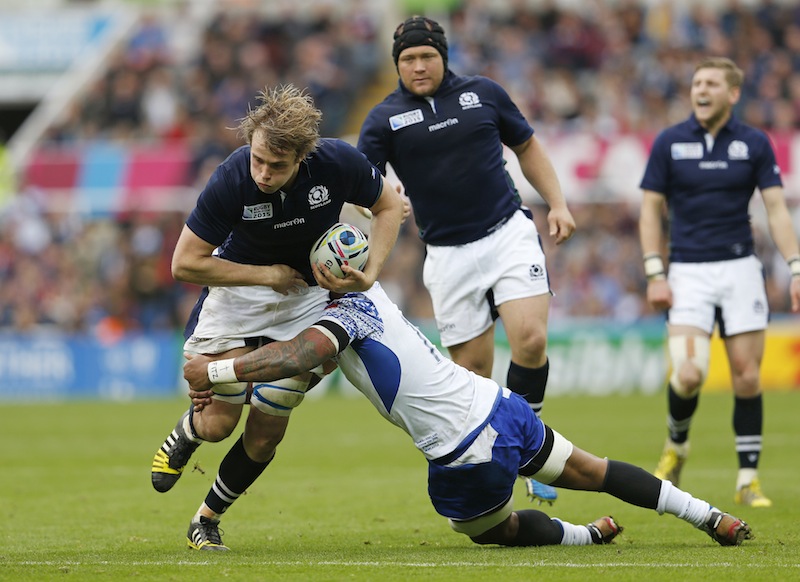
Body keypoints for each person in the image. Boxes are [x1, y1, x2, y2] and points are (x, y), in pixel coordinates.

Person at [182, 278, 753, 551]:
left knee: (493, 531)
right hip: (499, 405)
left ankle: (582, 537)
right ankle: (709, 517)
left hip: (463, 452)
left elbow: (304, 354)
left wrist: (216, 373)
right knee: (594, 470)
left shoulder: (343, 315)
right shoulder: (374, 290)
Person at [149, 85, 405, 546]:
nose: (264, 173)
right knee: (218, 425)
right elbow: (184, 263)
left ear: (304, 157)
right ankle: (188, 431)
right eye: (258, 160)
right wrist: (266, 274)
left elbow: (389, 205)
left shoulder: (337, 163)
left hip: (305, 299)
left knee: (266, 431)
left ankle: (205, 520)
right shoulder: (231, 178)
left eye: (277, 166)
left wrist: (371, 272)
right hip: (239, 295)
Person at [357, 15, 576, 504]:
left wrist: (557, 203)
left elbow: (527, 146)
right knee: (473, 377)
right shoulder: (383, 118)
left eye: (426, 56)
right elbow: (361, 184)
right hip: (447, 255)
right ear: (397, 64)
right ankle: (501, 467)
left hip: (507, 234)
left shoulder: (484, 93)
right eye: (408, 59)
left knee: (531, 338)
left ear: (443, 56)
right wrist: (384, 197)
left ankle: (531, 446)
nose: (418, 66)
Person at [639, 57, 800, 508]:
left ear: (732, 93)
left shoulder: (754, 143)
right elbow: (650, 210)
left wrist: (796, 266)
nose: (700, 90)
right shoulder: (669, 142)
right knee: (689, 374)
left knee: (747, 377)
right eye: (696, 83)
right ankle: (677, 446)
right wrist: (655, 271)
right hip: (687, 270)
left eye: (711, 83)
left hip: (739, 269)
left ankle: (748, 480)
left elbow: (776, 209)